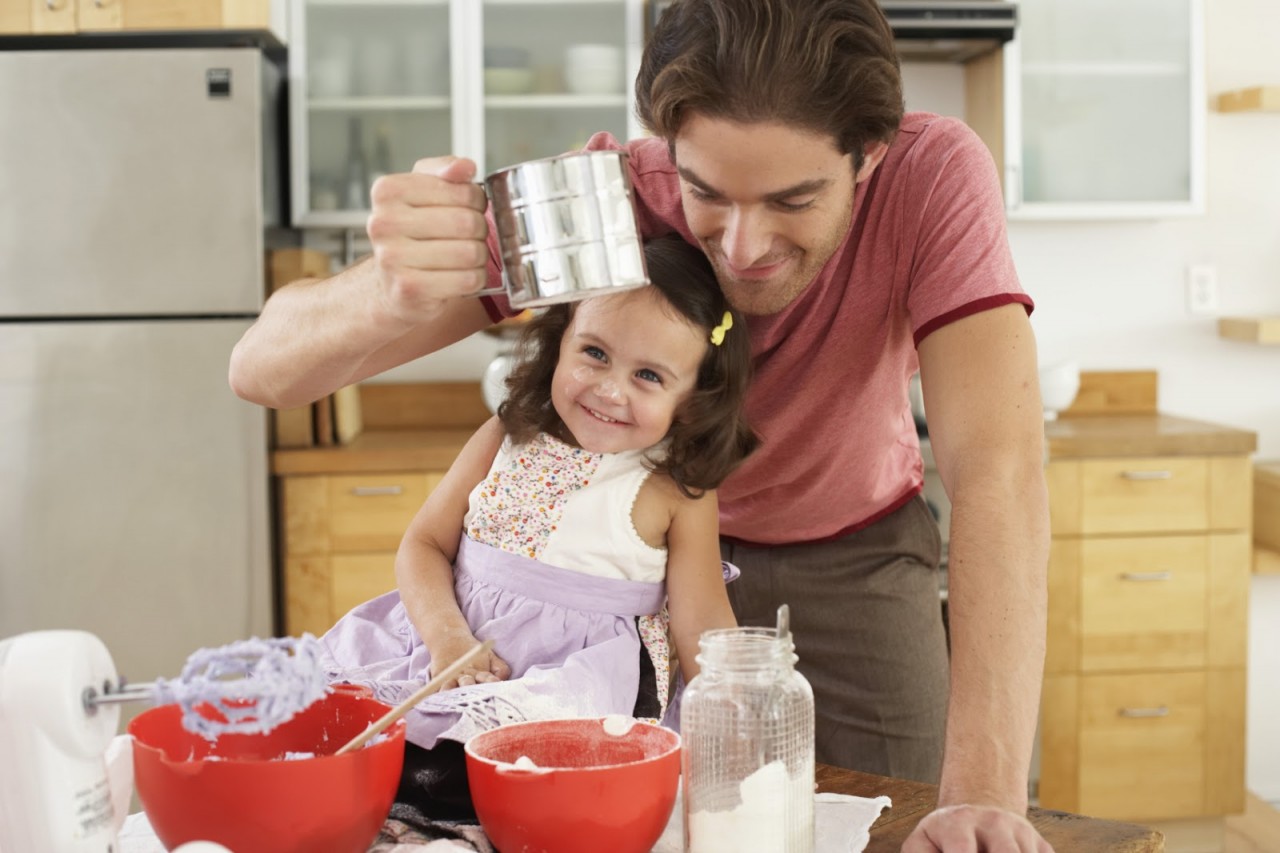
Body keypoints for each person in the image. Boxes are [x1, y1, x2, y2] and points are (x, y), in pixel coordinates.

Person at [229, 1, 1052, 849]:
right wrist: (390, 291)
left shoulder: (932, 173)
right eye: (703, 191)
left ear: (869, 156)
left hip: (850, 561)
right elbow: (261, 369)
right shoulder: (605, 193)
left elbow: (997, 469)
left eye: (793, 198)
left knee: (903, 823)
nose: (740, 246)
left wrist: (985, 793)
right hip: (634, 587)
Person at [317, 235, 756, 816]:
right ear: (560, 340)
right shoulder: (506, 434)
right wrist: (448, 640)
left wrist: (737, 737)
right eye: (594, 353)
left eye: (648, 375)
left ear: (694, 396)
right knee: (345, 744)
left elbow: (699, 626)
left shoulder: (676, 487)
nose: (609, 389)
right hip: (446, 653)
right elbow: (422, 545)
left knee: (514, 792)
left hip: (569, 690)